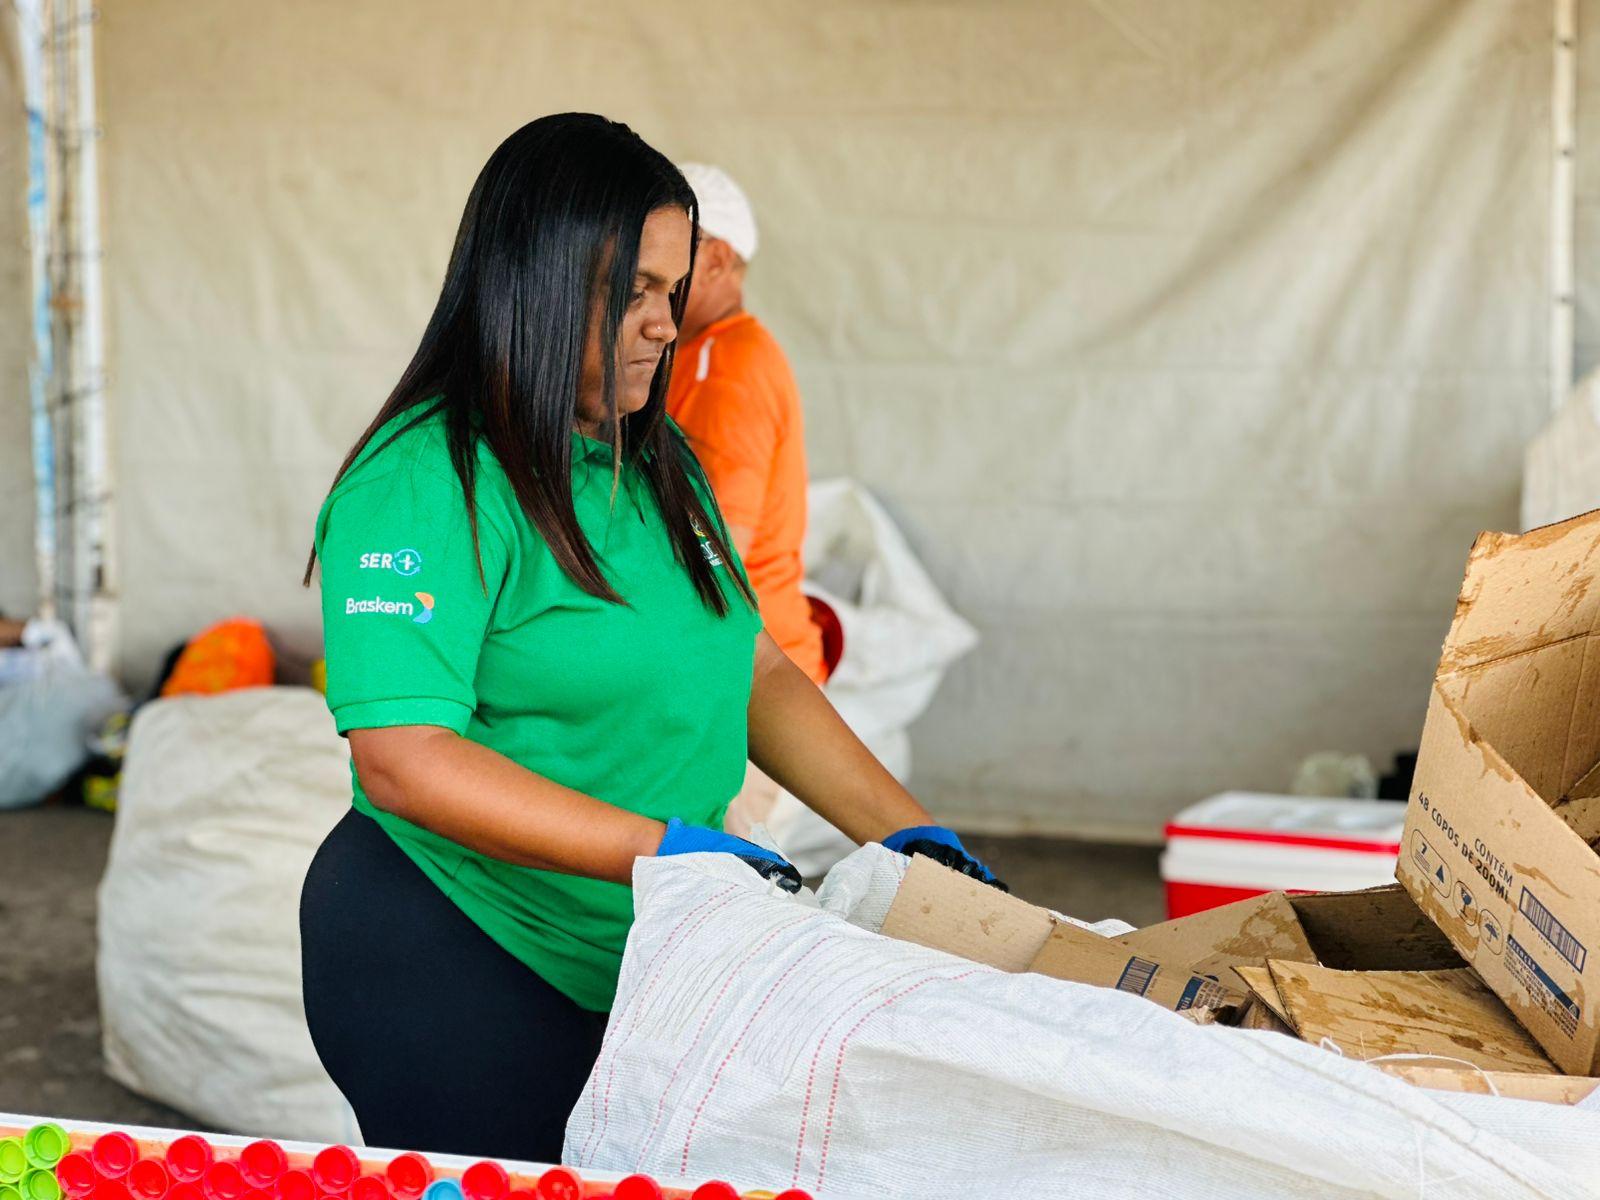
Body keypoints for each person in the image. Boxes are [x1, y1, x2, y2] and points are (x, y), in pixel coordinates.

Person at [297, 113, 1003, 1166]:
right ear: (529, 283)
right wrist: (664, 852)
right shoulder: (425, 481)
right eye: (629, 294)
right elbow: (405, 759)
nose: (664, 326)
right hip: (459, 949)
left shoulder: (655, 458)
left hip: (646, 952)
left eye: (670, 292)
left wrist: (911, 840)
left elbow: (753, 664)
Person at [666, 164, 826, 686]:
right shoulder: (694, 354)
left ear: (716, 258)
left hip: (752, 675)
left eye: (669, 243)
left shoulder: (729, 363)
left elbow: (716, 541)